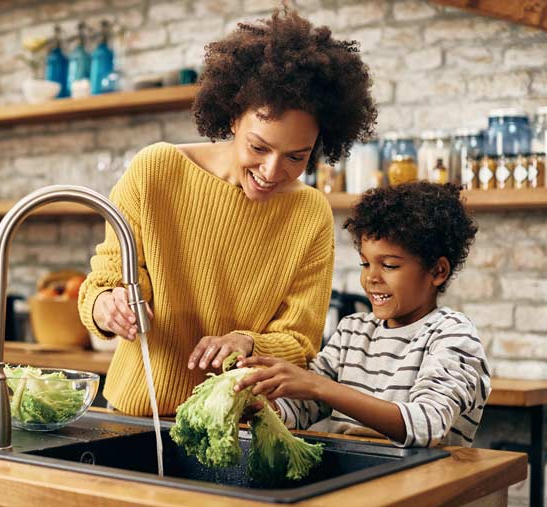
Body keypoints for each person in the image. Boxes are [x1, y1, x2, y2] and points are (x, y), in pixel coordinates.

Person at [78, 7, 377, 416]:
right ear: (234, 116)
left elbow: (301, 341)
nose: (273, 172)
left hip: (238, 426)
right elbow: (103, 283)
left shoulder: (310, 214)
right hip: (135, 417)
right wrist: (108, 306)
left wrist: (247, 341)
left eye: (297, 156)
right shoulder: (156, 171)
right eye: (259, 147)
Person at [235, 181, 489, 447]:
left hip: (427, 481)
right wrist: (259, 406)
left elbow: (427, 424)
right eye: (365, 264)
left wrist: (318, 385)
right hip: (363, 479)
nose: (371, 278)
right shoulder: (352, 331)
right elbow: (302, 408)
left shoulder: (453, 335)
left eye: (389, 265)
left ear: (438, 271)